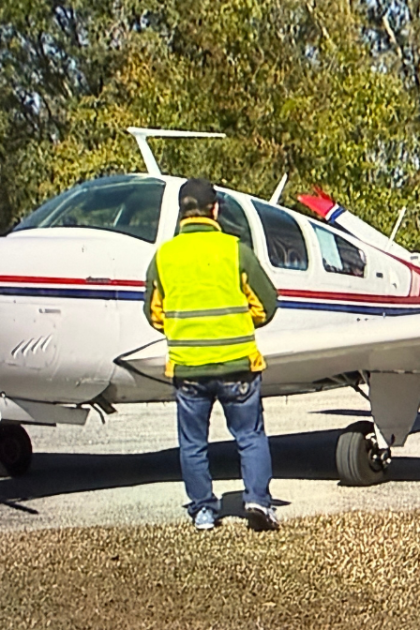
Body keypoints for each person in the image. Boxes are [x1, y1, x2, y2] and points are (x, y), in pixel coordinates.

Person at [144, 178, 281, 532]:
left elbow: (154, 313)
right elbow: (267, 304)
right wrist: (238, 322)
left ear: (181, 213)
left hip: (188, 368)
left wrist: (184, 329)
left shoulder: (164, 257)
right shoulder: (236, 250)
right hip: (238, 365)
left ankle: (204, 510)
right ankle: (258, 501)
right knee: (249, 436)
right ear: (215, 209)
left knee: (193, 443)